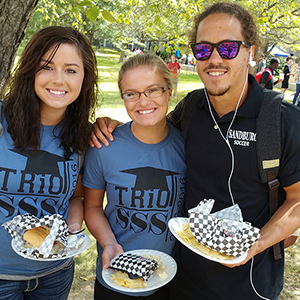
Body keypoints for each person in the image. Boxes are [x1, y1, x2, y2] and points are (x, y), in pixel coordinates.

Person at [91, 3, 300, 300]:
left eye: (227, 48)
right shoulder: (191, 109)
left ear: (250, 52)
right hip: (179, 278)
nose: (214, 58)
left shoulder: (281, 120)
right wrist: (110, 127)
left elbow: (297, 199)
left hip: (248, 283)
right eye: (203, 50)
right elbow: (152, 134)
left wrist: (258, 244)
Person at [0, 26, 98, 300]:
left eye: (71, 70)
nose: (59, 80)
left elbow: (78, 196)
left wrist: (73, 227)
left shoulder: (83, 136)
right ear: (30, 69)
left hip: (54, 274)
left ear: (84, 78)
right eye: (47, 66)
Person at [82, 53, 186, 299]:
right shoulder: (104, 146)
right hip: (115, 275)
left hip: (168, 277)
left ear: (169, 92)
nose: (143, 101)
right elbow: (93, 207)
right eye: (131, 93)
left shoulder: (186, 146)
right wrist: (109, 243)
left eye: (153, 90)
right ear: (124, 98)